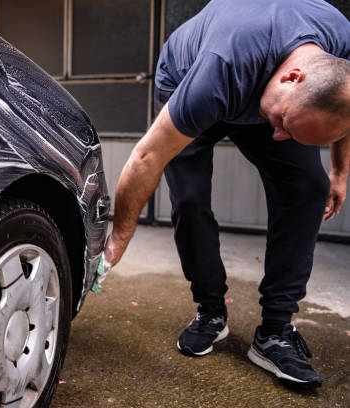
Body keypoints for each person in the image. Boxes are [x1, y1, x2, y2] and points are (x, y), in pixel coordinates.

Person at [104, 0, 350, 388]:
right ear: (293, 77)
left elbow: (343, 107)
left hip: (265, 91)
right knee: (189, 197)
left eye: (291, 131)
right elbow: (146, 156)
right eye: (283, 124)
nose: (279, 137)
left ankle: (274, 332)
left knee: (308, 188)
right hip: (188, 79)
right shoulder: (221, 69)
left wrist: (338, 171)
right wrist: (119, 236)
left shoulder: (340, 41)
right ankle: (210, 312)